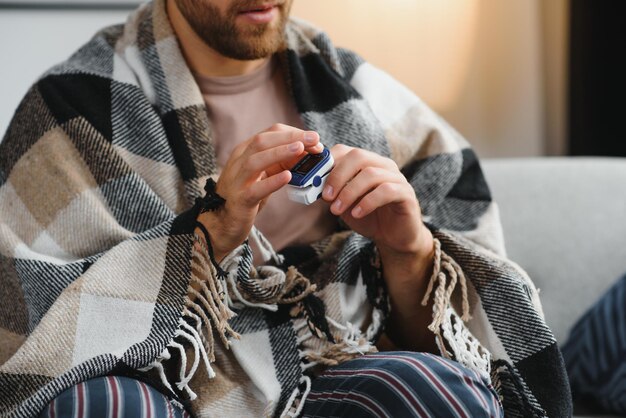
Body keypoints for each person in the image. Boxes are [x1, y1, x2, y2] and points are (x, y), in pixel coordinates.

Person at [0, 0, 571, 417]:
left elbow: (460, 341)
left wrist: (408, 249)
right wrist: (212, 229)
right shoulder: (72, 105)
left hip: (329, 378)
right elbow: (38, 331)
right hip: (167, 389)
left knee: (434, 389)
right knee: (99, 406)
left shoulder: (361, 94)